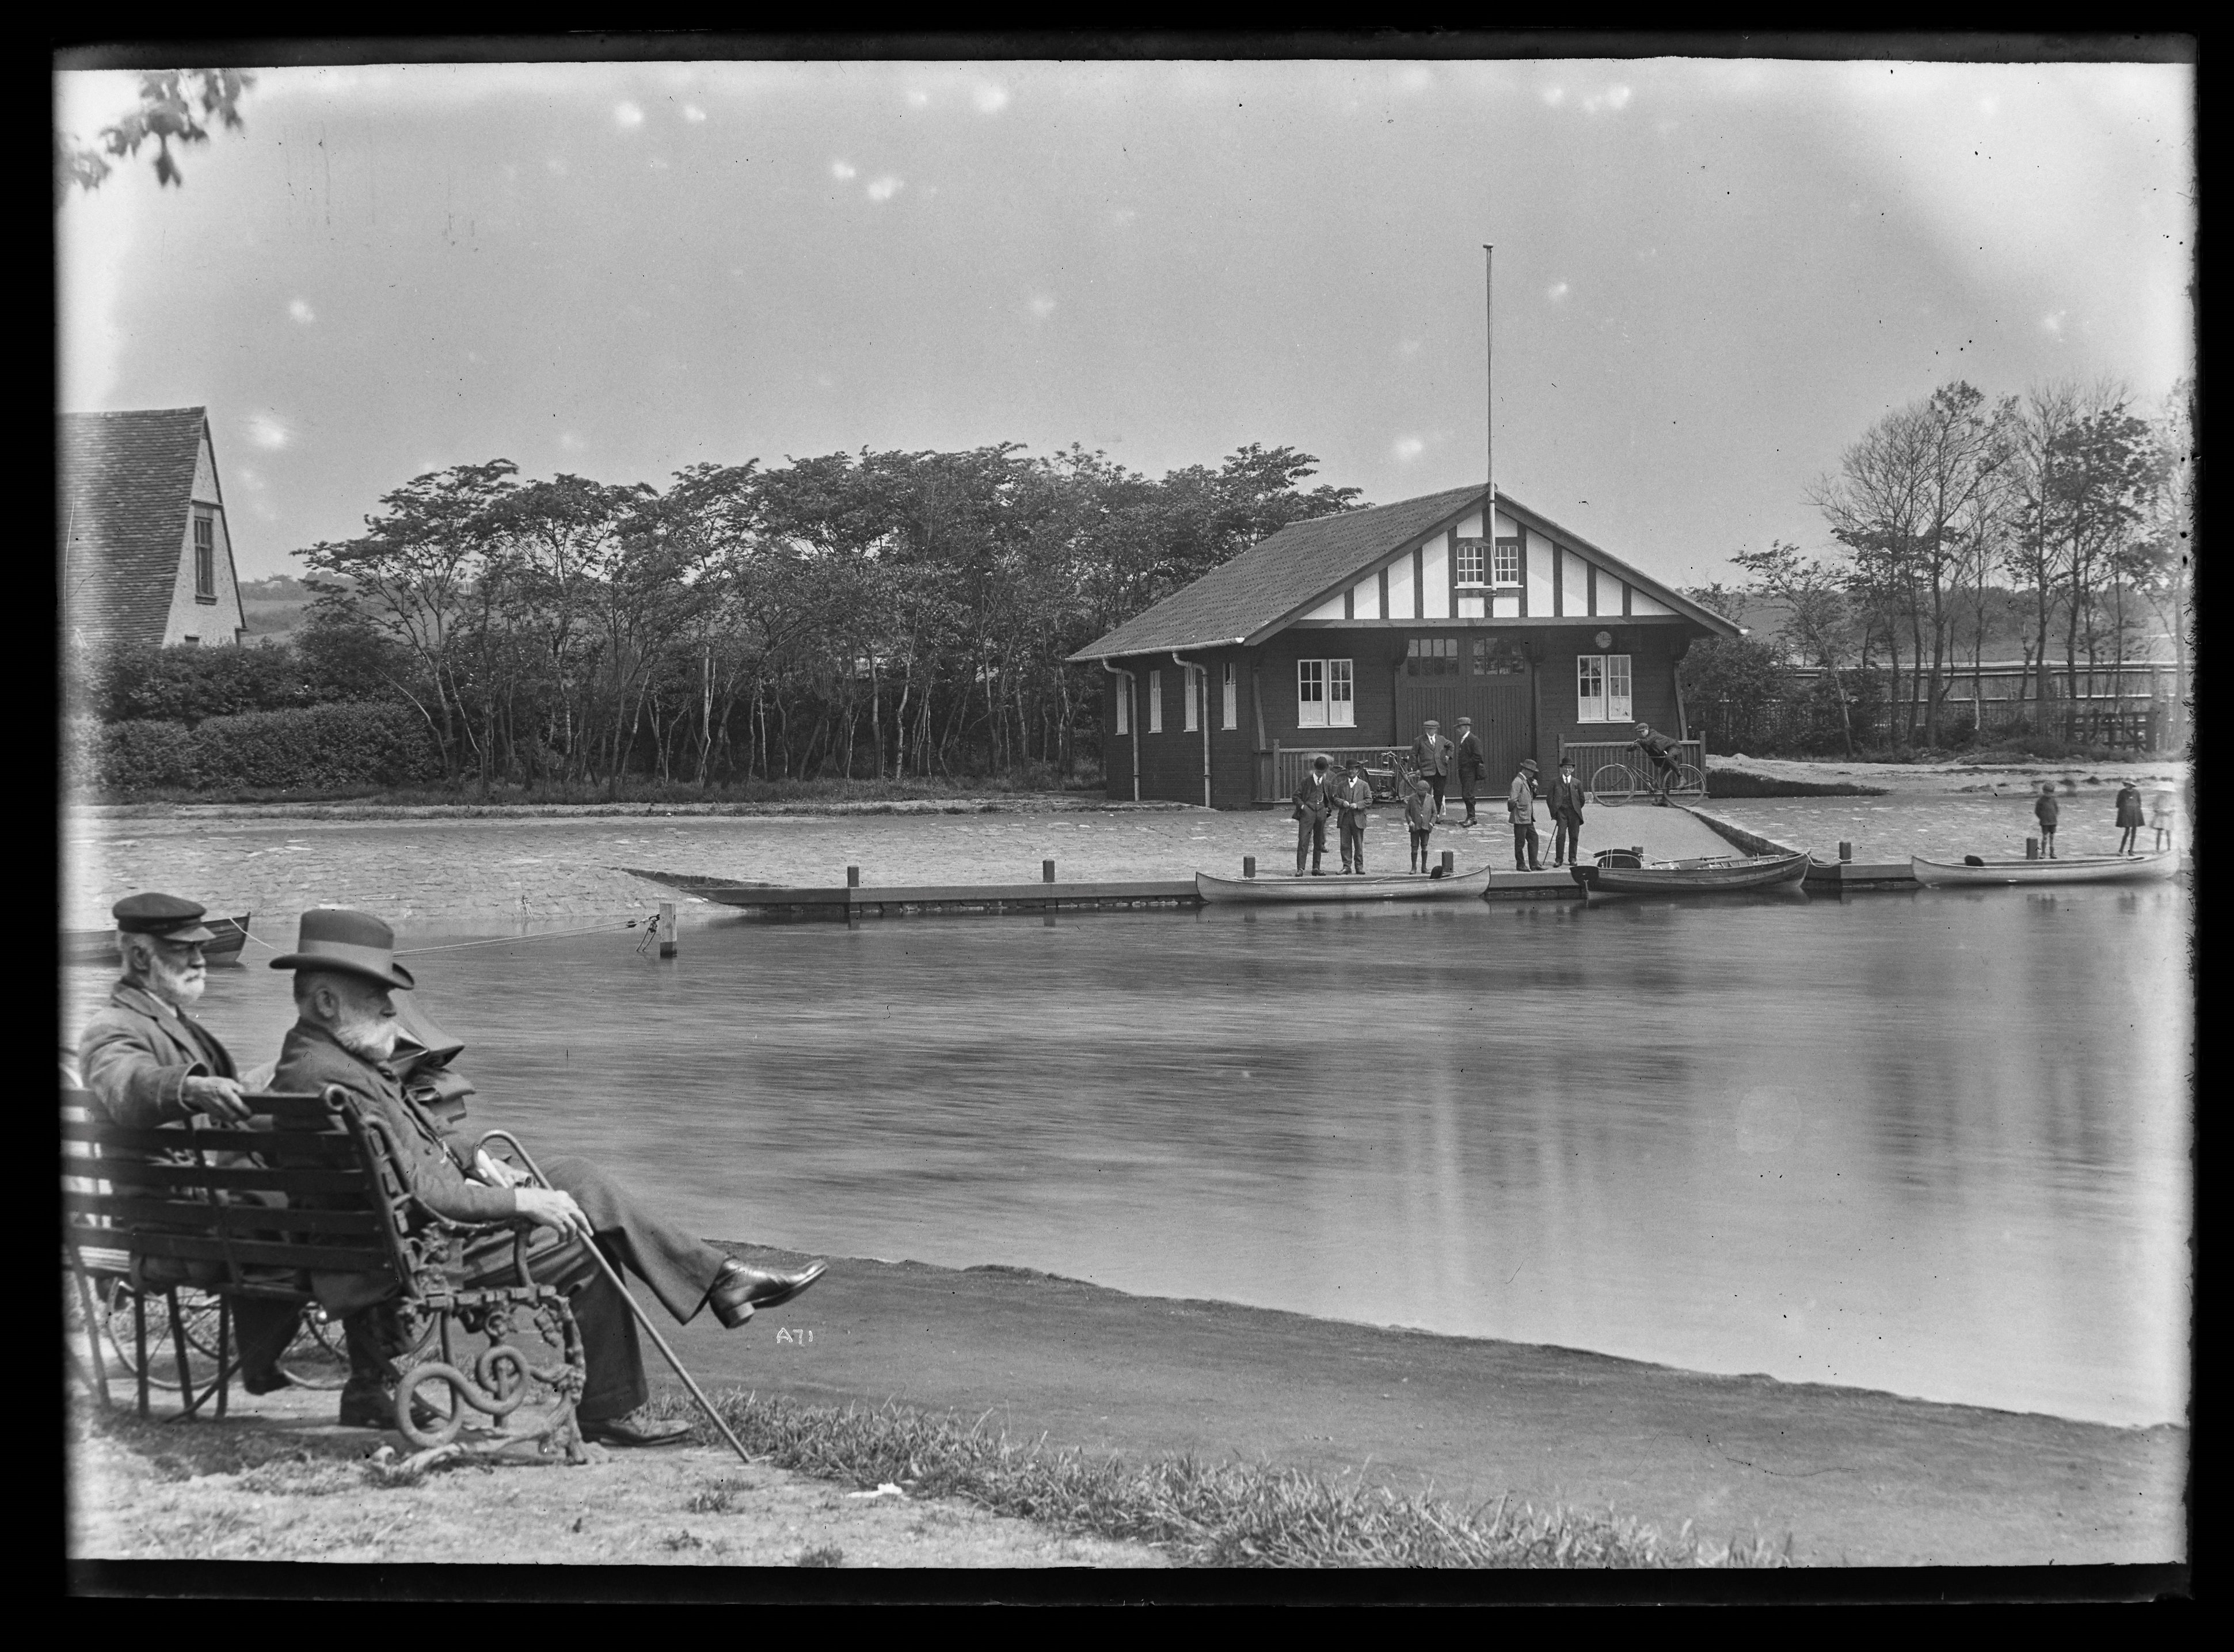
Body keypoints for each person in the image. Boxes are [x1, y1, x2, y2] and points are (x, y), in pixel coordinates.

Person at [266, 907, 825, 1447]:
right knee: (582, 1242)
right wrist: (518, 1203)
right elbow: (423, 1192)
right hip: (416, 1253)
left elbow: (405, 1142)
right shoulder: (336, 1080)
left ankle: (721, 1279)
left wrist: (471, 1155)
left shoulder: (315, 1063)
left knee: (573, 1176)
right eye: (378, 997)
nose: (393, 1010)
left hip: (380, 1241)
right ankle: (615, 1402)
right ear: (325, 1000)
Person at [75, 893, 305, 1396]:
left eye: (200, 948)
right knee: (327, 1215)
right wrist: (189, 1087)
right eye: (182, 950)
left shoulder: (173, 1022)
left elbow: (226, 1091)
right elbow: (126, 1085)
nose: (200, 959)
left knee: (320, 1201)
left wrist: (288, 1071)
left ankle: (267, 1357)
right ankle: (278, 1362)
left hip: (202, 1203)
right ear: (139, 956)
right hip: (171, 1218)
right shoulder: (112, 1028)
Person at [1292, 753, 1337, 876]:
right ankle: (1300, 868)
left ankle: (1316, 867)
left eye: (1322, 771)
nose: (1320, 773)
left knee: (1319, 841)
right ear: (1315, 768)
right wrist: (1303, 807)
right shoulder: (1306, 782)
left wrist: (1327, 810)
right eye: (1319, 771)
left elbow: (1330, 799)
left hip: (1321, 813)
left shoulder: (1327, 784)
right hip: (1308, 813)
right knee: (1303, 840)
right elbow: (1296, 796)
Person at [1334, 758, 1374, 874]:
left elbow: (1369, 800)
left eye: (1353, 769)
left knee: (1359, 844)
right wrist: (1342, 802)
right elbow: (1335, 798)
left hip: (1358, 817)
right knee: (1345, 844)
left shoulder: (1364, 785)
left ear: (1357, 771)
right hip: (1345, 818)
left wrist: (1358, 805)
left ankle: (1359, 866)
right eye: (1349, 769)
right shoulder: (1341, 785)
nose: (1351, 772)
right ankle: (1347, 866)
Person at [1546, 756, 1587, 867]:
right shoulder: (1555, 782)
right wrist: (1554, 812)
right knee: (1561, 835)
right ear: (1562, 769)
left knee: (1574, 836)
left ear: (1573, 769)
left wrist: (1576, 808)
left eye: (1569, 768)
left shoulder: (1577, 783)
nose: (1567, 770)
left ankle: (1572, 859)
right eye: (1565, 768)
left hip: (1574, 813)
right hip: (1561, 812)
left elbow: (1582, 799)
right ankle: (1559, 859)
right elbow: (1549, 799)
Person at [1506, 758, 1544, 871]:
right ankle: (1520, 864)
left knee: (1534, 838)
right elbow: (1512, 800)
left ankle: (1534, 863)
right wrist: (1518, 810)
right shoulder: (1518, 781)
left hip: (1528, 818)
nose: (1533, 774)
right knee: (1520, 842)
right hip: (1521, 817)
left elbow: (1531, 797)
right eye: (1532, 771)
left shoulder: (1527, 781)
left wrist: (1535, 788)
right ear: (1526, 770)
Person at [1411, 720, 1453, 818]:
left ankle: (1436, 815)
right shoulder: (1419, 740)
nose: (1431, 731)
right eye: (1429, 729)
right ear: (1425, 729)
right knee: (1425, 794)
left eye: (1433, 729)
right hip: (1426, 772)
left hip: (1440, 771)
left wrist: (1448, 757)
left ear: (1436, 730)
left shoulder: (1441, 739)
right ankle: (1425, 815)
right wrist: (1416, 768)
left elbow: (1451, 746)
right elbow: (1414, 754)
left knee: (1439, 794)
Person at [1634, 724, 1681, 805]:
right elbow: (1642, 743)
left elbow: (1648, 741)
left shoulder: (1653, 734)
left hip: (1670, 752)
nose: (1642, 733)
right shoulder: (1645, 739)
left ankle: (1680, 778)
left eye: (1643, 731)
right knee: (1663, 778)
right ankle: (1664, 800)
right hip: (1662, 757)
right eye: (1640, 732)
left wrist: (1638, 740)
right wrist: (1632, 746)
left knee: (1665, 779)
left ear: (1647, 729)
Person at [1453, 718, 1486, 827]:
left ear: (1467, 728)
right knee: (1466, 794)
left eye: (1460, 727)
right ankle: (1470, 817)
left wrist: (1467, 766)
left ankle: (1472, 817)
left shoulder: (1473, 739)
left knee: (1468, 794)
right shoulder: (1464, 739)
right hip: (1465, 772)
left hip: (1470, 772)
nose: (1458, 730)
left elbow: (1478, 756)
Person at [1405, 774, 1437, 873]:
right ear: (1417, 790)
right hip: (1415, 827)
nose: (1422, 793)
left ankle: (1424, 867)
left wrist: (1432, 823)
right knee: (1414, 847)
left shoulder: (1430, 799)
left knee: (1425, 846)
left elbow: (1435, 813)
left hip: (1426, 827)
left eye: (1424, 791)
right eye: (1420, 791)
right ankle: (1414, 867)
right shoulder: (1412, 798)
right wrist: (1410, 821)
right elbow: (1407, 812)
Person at [2115, 779, 2145, 855]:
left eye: (2130, 785)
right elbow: (2118, 804)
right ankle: (2121, 850)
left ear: (2133, 786)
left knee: (2134, 832)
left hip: (2135, 813)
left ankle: (2131, 851)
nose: (2129, 786)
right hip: (2126, 814)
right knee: (2127, 832)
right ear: (2126, 785)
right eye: (2128, 785)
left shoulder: (2137, 792)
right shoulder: (2122, 792)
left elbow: (2139, 803)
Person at [2034, 783, 2060, 859]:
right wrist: (2042, 818)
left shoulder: (2053, 800)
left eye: (2050, 793)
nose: (2048, 794)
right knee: (2045, 838)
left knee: (2052, 838)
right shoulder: (2040, 800)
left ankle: (2052, 853)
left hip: (2053, 822)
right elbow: (2037, 811)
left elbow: (2056, 810)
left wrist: (2054, 817)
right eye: (2046, 793)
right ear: (2044, 792)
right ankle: (2043, 853)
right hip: (2045, 823)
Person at [2149, 785, 2175, 853]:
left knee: (2168, 833)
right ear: (2162, 791)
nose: (2165, 793)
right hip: (2160, 817)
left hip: (2167, 817)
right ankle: (2157, 849)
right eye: (2164, 791)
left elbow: (2174, 809)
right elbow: (2154, 807)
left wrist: (2169, 812)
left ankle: (2169, 848)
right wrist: (2158, 810)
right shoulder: (2158, 798)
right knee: (2159, 833)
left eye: (2167, 791)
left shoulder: (2171, 799)